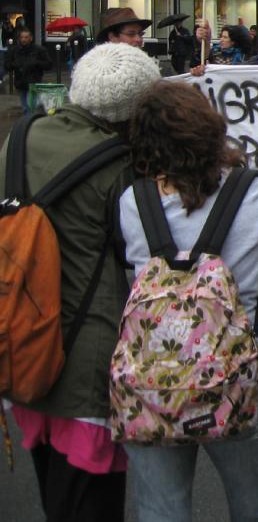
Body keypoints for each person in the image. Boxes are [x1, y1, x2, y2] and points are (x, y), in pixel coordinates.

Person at [118, 82, 258, 521]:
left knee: (160, 510)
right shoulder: (256, 196)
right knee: (255, 506)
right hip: (235, 373)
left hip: (152, 377)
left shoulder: (133, 203)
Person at [2, 44, 162, 522]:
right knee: (90, 502)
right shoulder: (121, 167)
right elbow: (140, 252)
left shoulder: (20, 137)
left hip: (22, 338)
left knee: (54, 488)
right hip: (87, 351)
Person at [10, 28, 52, 114]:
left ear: (31, 38)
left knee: (31, 107)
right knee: (25, 107)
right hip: (21, 82)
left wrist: (36, 63)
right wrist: (15, 65)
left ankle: (32, 119)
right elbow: (8, 64)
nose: (23, 39)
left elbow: (48, 64)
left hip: (33, 82)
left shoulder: (39, 50)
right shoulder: (15, 50)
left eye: (26, 37)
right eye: (22, 37)